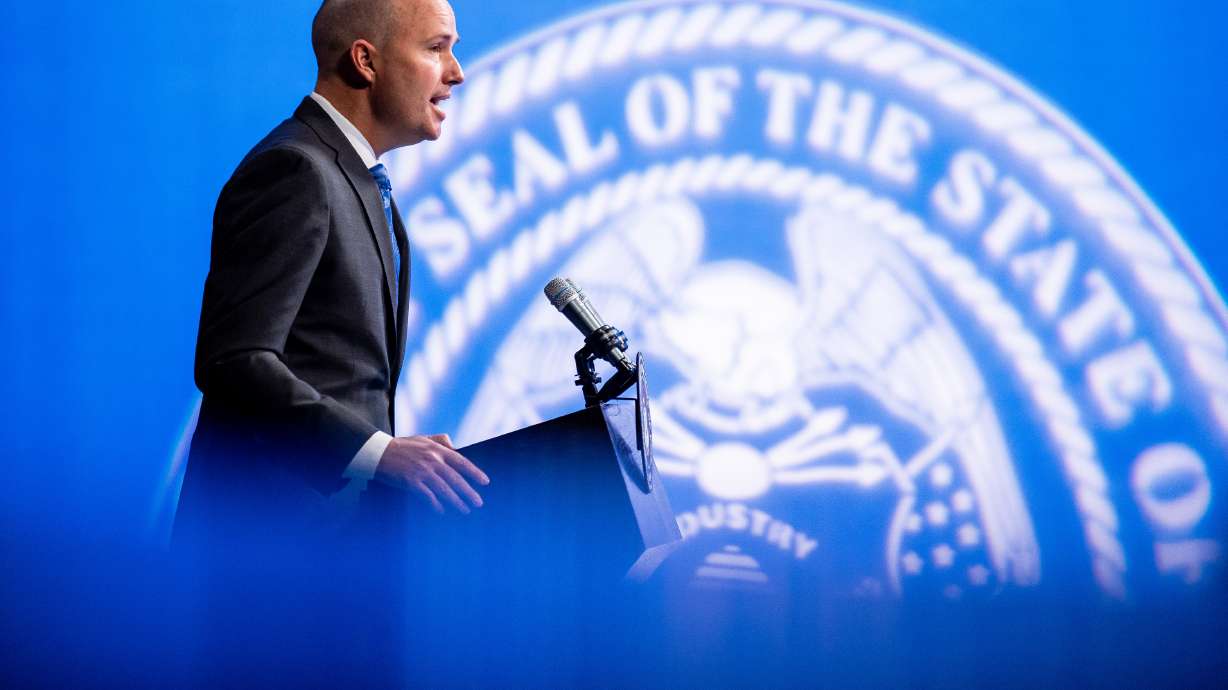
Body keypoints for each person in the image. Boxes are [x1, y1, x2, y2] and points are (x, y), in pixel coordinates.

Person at [172, 0, 482, 682]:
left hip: (337, 563)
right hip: (267, 565)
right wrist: (378, 453)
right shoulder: (297, 170)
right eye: (437, 48)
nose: (457, 73)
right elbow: (234, 359)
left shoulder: (363, 183)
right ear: (364, 60)